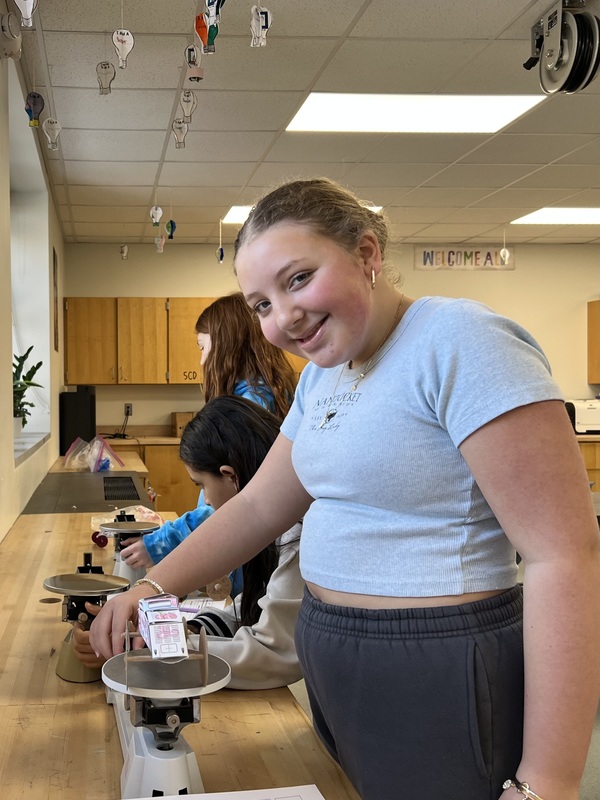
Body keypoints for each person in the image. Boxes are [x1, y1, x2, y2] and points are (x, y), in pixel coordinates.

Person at [90, 178, 600, 800]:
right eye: (260, 304)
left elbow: (566, 557)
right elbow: (255, 507)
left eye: (298, 279)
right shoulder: (322, 379)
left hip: (439, 664)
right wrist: (149, 587)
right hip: (336, 656)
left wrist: (548, 782)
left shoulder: (462, 341)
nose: (283, 317)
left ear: (367, 254)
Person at [74, 396, 303, 690]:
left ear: (230, 475)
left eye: (201, 485)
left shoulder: (296, 538)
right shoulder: (278, 529)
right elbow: (247, 609)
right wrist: (178, 630)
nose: (206, 501)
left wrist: (159, 650)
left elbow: (271, 655)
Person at [120, 292, 297, 572]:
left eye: (203, 347)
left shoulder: (249, 404)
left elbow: (234, 504)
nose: (202, 361)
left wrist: (161, 543)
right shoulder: (262, 394)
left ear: (226, 344)